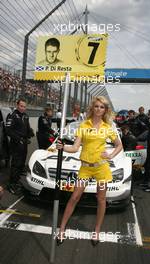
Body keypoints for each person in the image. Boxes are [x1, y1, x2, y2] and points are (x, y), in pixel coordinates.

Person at [56, 96, 123, 246]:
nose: (99, 109)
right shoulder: (83, 125)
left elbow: (119, 145)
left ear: (105, 110)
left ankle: (97, 230)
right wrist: (63, 147)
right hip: (85, 168)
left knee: (101, 200)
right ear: (92, 108)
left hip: (101, 169)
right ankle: (61, 229)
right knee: (74, 197)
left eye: (102, 107)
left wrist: (110, 155)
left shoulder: (107, 127)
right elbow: (74, 148)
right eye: (97, 106)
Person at [6, 99, 34, 195]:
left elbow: (27, 128)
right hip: (16, 144)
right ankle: (11, 185)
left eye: (24, 106)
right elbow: (8, 131)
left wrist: (30, 133)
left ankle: (16, 181)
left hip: (24, 144)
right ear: (17, 105)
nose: (23, 108)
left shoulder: (25, 116)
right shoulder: (12, 116)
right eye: (21, 106)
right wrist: (19, 139)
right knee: (15, 165)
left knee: (21, 164)